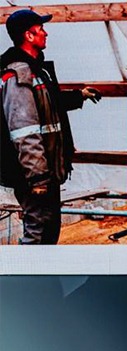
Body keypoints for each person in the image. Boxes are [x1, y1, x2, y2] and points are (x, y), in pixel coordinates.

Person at [1, 10, 101, 245]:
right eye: (41, 29)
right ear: (29, 35)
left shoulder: (37, 71)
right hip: (34, 174)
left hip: (46, 171)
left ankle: (41, 270)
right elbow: (24, 131)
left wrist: (79, 96)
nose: (46, 33)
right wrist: (38, 178)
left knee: (49, 230)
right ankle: (30, 270)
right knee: (38, 231)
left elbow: (48, 103)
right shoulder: (18, 75)